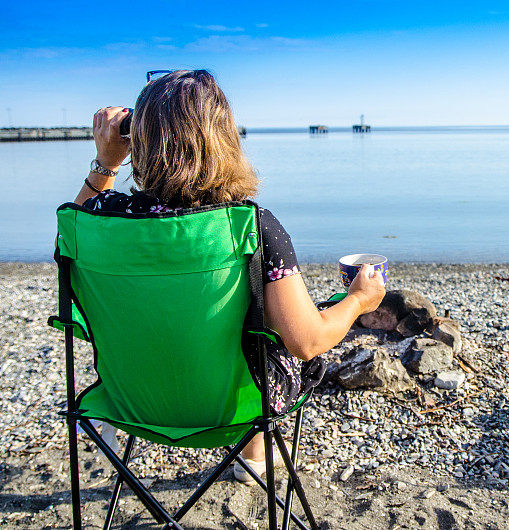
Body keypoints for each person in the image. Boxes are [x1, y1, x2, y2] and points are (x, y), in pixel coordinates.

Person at [73, 70, 386, 484]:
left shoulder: (96, 224)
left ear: (140, 141)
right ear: (222, 138)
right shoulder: (251, 227)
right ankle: (255, 453)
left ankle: (251, 450)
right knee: (275, 334)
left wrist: (105, 163)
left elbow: (71, 235)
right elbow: (307, 341)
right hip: (233, 411)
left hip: (128, 402)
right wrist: (359, 301)